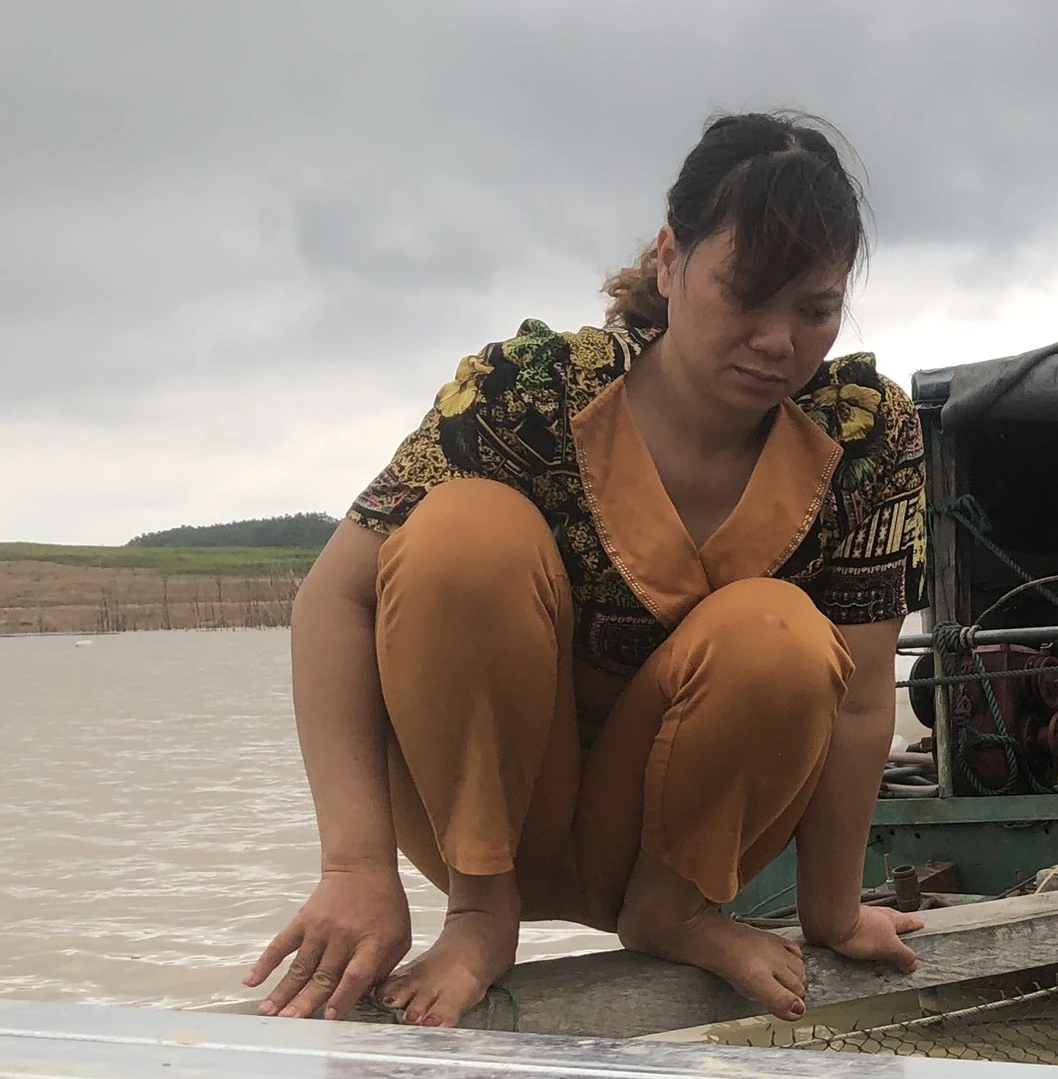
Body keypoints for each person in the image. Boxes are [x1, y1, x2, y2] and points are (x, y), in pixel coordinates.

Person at [248, 111, 927, 1028]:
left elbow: (856, 697)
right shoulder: (525, 393)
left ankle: (675, 909)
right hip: (483, 817)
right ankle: (484, 916)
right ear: (670, 260)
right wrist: (356, 868)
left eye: (814, 309)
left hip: (670, 839)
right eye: (745, 295)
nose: (779, 342)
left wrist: (834, 913)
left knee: (777, 632)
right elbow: (333, 601)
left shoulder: (866, 434)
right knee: (463, 535)